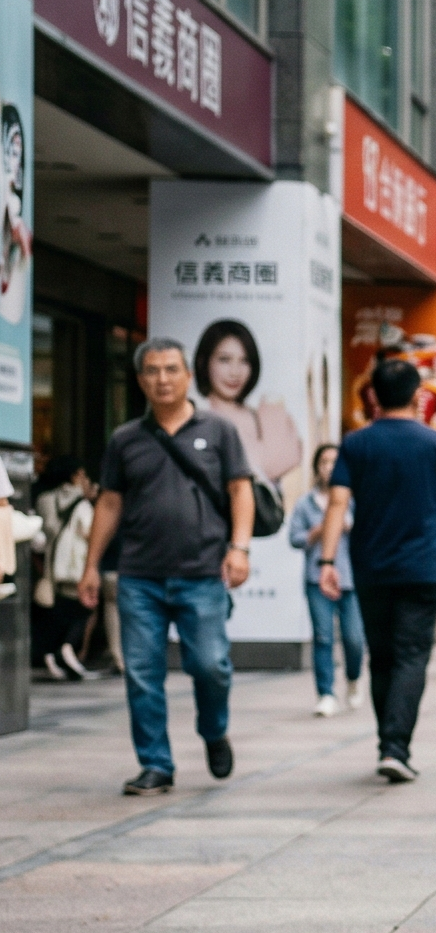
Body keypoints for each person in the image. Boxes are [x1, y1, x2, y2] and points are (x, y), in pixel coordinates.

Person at [79, 337, 255, 796]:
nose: (162, 379)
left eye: (171, 370)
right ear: (140, 380)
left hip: (202, 574)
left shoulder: (218, 430)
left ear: (187, 376)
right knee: (142, 673)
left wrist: (239, 548)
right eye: (153, 371)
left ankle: (214, 731)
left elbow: (240, 490)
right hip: (140, 576)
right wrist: (91, 566)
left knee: (210, 666)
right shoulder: (125, 439)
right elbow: (110, 503)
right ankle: (156, 763)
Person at [315, 361, 436, 784]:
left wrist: (328, 560)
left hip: (371, 568)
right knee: (411, 657)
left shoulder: (356, 444)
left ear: (373, 395)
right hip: (422, 570)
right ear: (417, 395)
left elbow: (336, 503)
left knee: (382, 658)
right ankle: (395, 747)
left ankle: (388, 744)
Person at [288, 444, 365, 716]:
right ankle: (326, 693)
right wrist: (320, 529)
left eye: (335, 462)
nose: (330, 468)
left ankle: (354, 679)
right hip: (316, 578)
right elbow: (294, 538)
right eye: (324, 462)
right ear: (316, 468)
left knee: (354, 638)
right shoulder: (306, 503)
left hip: (352, 579)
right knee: (323, 636)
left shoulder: (355, 501)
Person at [194, 320, 305, 487]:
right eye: (224, 359)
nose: (235, 372)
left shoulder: (263, 417)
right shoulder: (194, 417)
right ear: (204, 362)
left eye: (244, 361)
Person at [31, 457, 97, 681]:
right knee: (84, 606)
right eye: (82, 475)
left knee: (57, 610)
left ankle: (53, 652)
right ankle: (66, 647)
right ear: (74, 476)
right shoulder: (82, 503)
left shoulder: (45, 499)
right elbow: (89, 532)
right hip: (76, 564)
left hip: (52, 562)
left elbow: (43, 531)